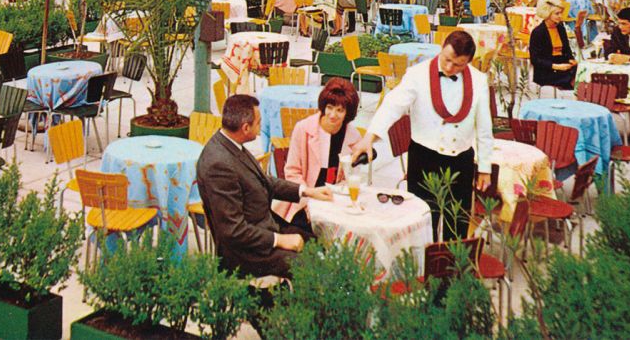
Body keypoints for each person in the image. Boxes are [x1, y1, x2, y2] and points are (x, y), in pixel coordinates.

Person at [350, 30, 493, 241]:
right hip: (425, 159)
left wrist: (484, 168)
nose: (449, 68)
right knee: (423, 222)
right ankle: (422, 270)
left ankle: (454, 271)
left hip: (461, 162)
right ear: (442, 49)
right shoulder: (417, 74)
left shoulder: (479, 81)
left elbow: (484, 128)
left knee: (458, 224)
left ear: (468, 62)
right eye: (446, 60)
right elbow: (392, 105)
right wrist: (368, 138)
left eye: (458, 65)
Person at [196, 94, 333, 278]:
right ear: (245, 128)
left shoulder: (231, 143)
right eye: (259, 123)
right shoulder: (218, 165)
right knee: (313, 266)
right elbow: (233, 231)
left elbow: (264, 181)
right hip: (247, 253)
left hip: (264, 227)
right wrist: (280, 240)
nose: (261, 129)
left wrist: (307, 191)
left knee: (320, 245)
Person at [273, 78, 363, 227]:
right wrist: (309, 198)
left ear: (348, 113)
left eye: (340, 110)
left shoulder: (353, 136)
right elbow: (292, 172)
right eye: (330, 107)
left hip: (336, 200)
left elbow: (350, 177)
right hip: (304, 200)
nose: (333, 115)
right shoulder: (303, 129)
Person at [529, 0, 577, 92]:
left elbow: (567, 50)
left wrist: (571, 60)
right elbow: (535, 59)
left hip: (562, 64)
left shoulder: (560, 28)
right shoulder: (538, 32)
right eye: (557, 13)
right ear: (547, 13)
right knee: (575, 80)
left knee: (583, 72)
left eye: (561, 13)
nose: (560, 16)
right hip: (547, 70)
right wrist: (556, 66)